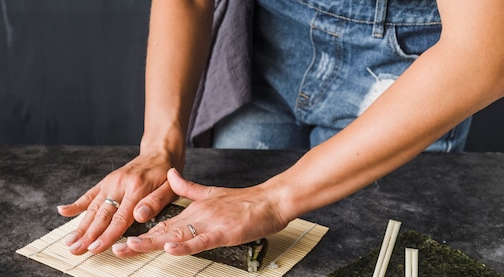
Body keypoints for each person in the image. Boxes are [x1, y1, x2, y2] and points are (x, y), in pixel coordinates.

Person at [57, 0, 504, 259]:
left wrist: (274, 196)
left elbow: (484, 56)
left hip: (412, 67)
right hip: (269, 45)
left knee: (362, 255)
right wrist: (160, 144)